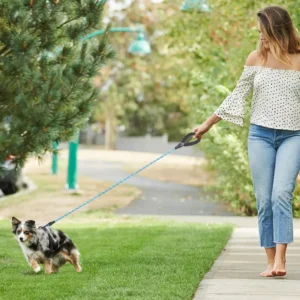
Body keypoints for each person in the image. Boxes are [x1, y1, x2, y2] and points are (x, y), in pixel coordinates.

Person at [193, 5, 300, 278]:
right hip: (260, 136)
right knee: (264, 200)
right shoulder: (256, 58)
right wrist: (206, 125)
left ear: (278, 30)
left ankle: (281, 260)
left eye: (264, 31)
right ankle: (269, 260)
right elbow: (236, 96)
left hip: (294, 136)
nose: (260, 37)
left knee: (280, 195)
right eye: (259, 32)